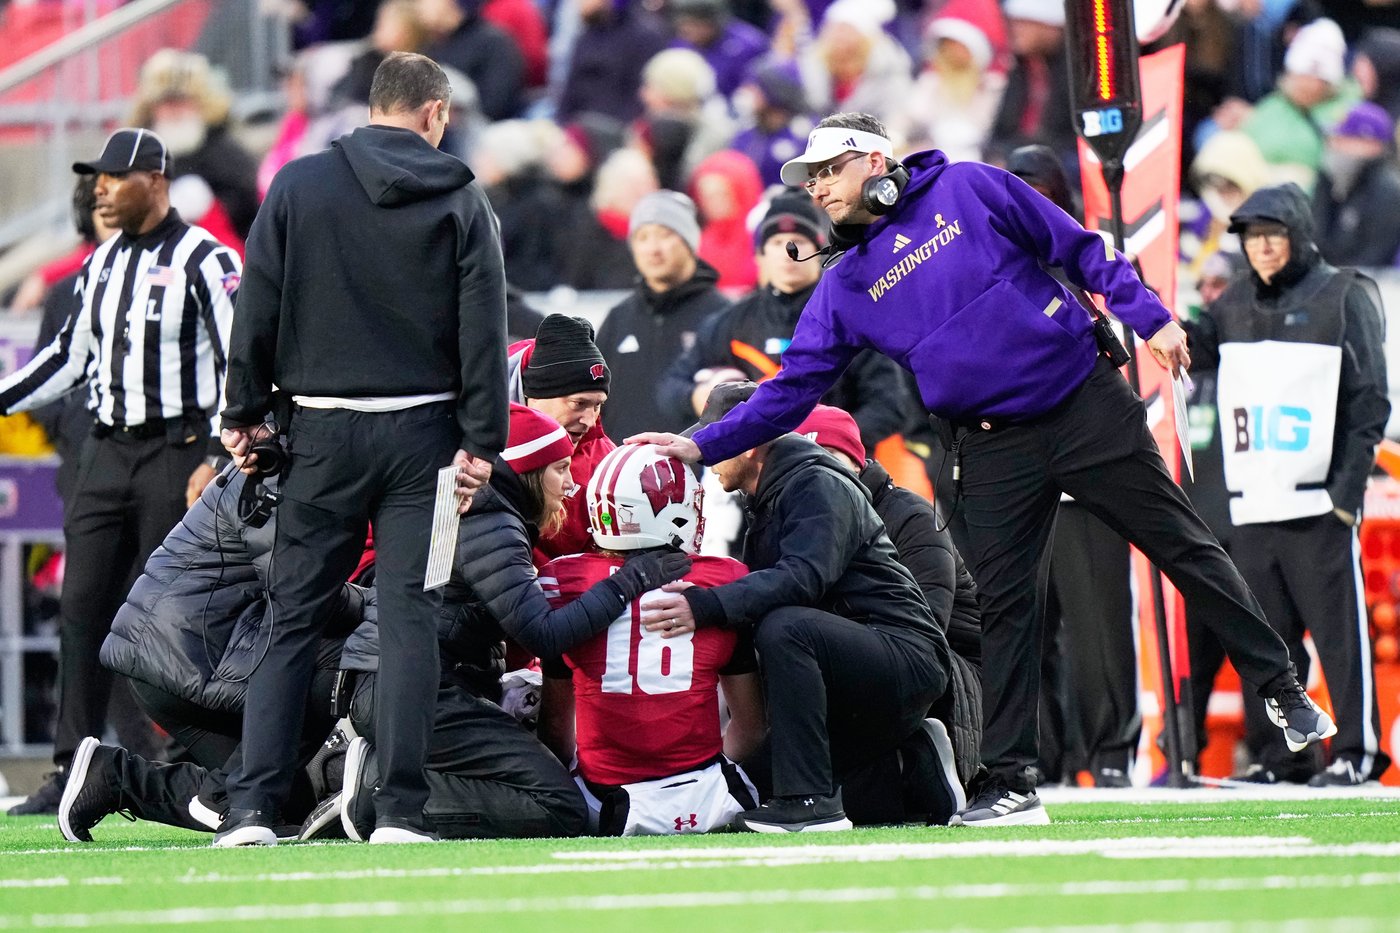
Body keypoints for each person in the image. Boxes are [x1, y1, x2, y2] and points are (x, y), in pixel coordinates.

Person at [630, 113, 1333, 827]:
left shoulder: (969, 187)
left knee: (1182, 542)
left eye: (829, 170)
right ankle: (1012, 779)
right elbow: (791, 389)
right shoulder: (843, 285)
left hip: (1083, 400)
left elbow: (1080, 247)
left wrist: (1150, 317)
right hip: (991, 442)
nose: (819, 187)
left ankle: (1279, 683)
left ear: (875, 159)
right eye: (810, 178)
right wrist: (704, 443)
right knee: (1005, 606)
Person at [216, 52, 508, 846]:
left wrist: (243, 414)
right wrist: (484, 442)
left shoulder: (298, 184)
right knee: (413, 615)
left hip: (318, 434)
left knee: (292, 618)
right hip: (429, 441)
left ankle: (251, 809)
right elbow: (484, 329)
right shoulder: (461, 194)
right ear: (436, 112)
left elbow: (257, 311)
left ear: (373, 106)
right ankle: (402, 812)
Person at [0, 128, 240, 817]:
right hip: (108, 450)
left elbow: (237, 360)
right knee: (82, 609)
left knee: (166, 612)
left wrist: (218, 455)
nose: (99, 188)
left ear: (154, 179)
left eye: (113, 176)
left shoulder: (207, 258)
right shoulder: (100, 262)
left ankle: (173, 763)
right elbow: (67, 359)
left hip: (177, 446)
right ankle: (69, 764)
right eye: (97, 179)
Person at [639, 382, 963, 832]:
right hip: (848, 664)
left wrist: (706, 604)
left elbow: (802, 579)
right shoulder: (772, 493)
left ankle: (810, 804)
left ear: (752, 445)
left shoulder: (816, 483)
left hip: (904, 659)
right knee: (751, 786)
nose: (708, 456)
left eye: (718, 440)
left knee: (784, 626)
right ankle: (915, 762)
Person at [1186, 183, 1391, 788]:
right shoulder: (1234, 302)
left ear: (1300, 235)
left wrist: (1345, 499)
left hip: (1318, 505)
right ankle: (1286, 758)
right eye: (1253, 238)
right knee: (1269, 650)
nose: (1264, 248)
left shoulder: (1345, 293)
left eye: (1274, 235)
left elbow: (1369, 399)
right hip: (1252, 506)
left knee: (1340, 641)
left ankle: (1357, 753)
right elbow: (1192, 353)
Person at [537, 443, 766, 835]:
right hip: (711, 797)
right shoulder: (725, 578)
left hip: (603, 803)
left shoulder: (563, 581)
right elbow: (751, 725)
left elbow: (557, 730)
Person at [796, 404, 983, 786]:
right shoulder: (796, 524)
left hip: (951, 678)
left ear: (858, 461)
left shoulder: (911, 516)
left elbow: (926, 633)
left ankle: (928, 764)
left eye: (830, 460)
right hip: (869, 673)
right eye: (807, 464)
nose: (821, 476)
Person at [660, 189, 909, 457]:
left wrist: (831, 440)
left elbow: (889, 404)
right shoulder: (732, 321)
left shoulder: (847, 314)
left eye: (799, 241)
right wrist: (698, 396)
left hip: (835, 465)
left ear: (819, 250)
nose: (788, 252)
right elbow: (670, 388)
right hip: (749, 470)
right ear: (760, 255)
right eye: (777, 243)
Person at [596, 190, 731, 443]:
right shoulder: (619, 318)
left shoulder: (723, 315)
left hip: (699, 472)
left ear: (689, 241)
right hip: (623, 470)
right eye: (642, 237)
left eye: (665, 234)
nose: (653, 249)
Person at [506, 314, 614, 560]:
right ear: (532, 395)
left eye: (597, 406)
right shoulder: (473, 447)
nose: (589, 420)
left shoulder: (606, 466)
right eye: (578, 403)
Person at [1311, 102, 1400, 268]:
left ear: (1371, 145)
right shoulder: (1332, 179)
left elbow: (1374, 259)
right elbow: (1316, 241)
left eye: (1343, 138)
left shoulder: (1389, 192)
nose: (1333, 145)